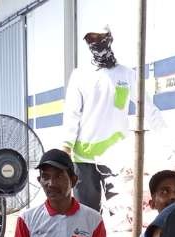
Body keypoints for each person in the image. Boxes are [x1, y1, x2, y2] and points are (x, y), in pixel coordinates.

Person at [62, 25, 158, 213]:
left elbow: (147, 107)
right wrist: (66, 147)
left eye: (101, 38)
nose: (97, 43)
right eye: (91, 39)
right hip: (84, 158)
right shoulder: (80, 75)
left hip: (116, 159)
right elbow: (72, 113)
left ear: (110, 39)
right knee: (87, 216)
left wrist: (168, 138)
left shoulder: (126, 74)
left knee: (120, 214)